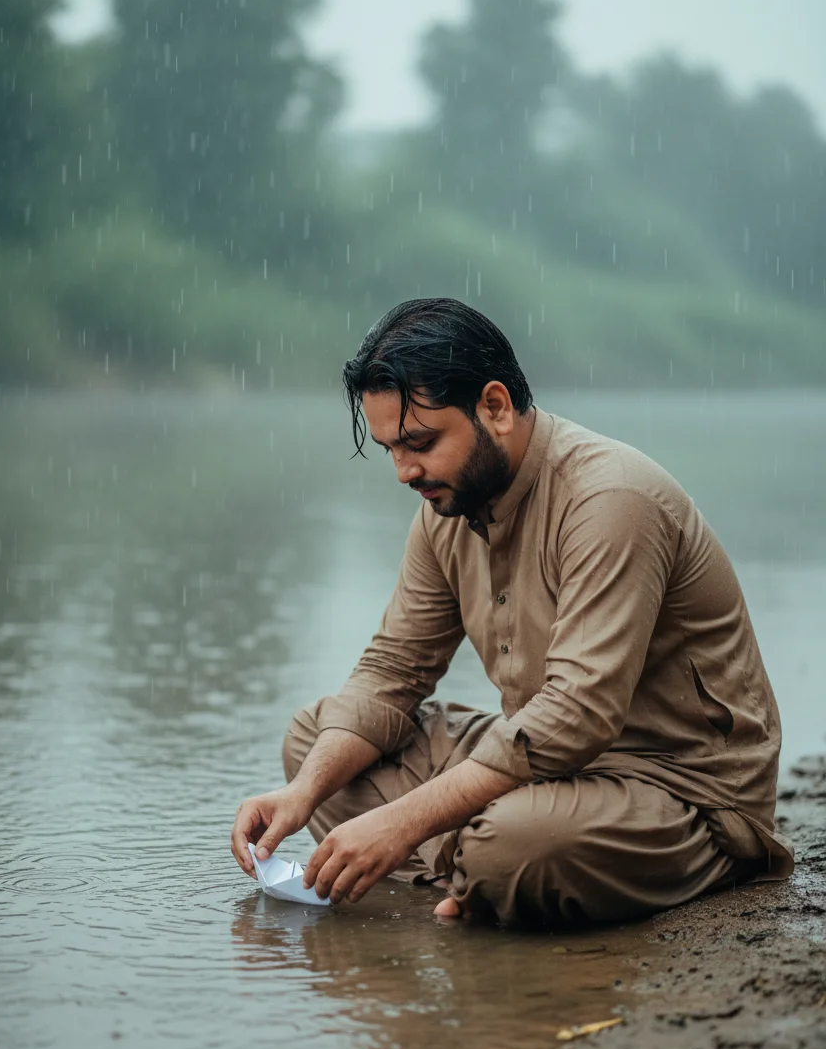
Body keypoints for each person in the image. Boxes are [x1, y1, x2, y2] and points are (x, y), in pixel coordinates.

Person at [230, 297, 794, 927]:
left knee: (509, 846)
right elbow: (392, 672)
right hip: (541, 768)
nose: (404, 471)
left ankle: (484, 866)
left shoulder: (611, 498)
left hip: (679, 789)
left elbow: (578, 713)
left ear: (495, 407)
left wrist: (403, 821)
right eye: (390, 448)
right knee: (316, 742)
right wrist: (302, 793)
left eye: (420, 442)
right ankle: (479, 873)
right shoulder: (445, 508)